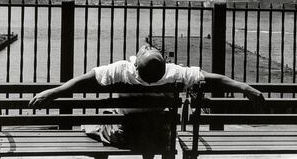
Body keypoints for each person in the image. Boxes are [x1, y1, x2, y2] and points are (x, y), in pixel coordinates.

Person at [29, 44, 265, 154]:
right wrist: (244, 87)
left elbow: (85, 79)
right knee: (154, 122)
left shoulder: (122, 70)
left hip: (126, 135)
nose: (145, 46)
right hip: (158, 136)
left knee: (94, 123)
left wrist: (53, 92)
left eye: (146, 49)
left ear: (136, 64)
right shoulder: (173, 73)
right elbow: (213, 79)